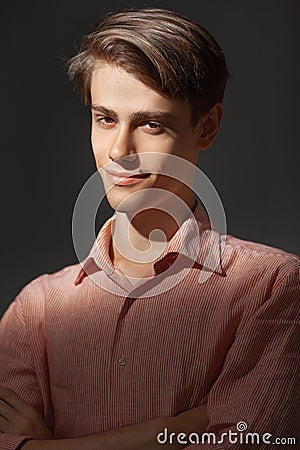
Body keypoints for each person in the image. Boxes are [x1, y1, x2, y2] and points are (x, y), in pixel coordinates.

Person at [0, 8, 299, 450]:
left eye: (151, 124)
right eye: (105, 119)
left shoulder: (271, 286)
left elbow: (250, 439)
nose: (119, 150)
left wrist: (46, 447)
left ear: (208, 126)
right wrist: (187, 426)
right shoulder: (36, 310)